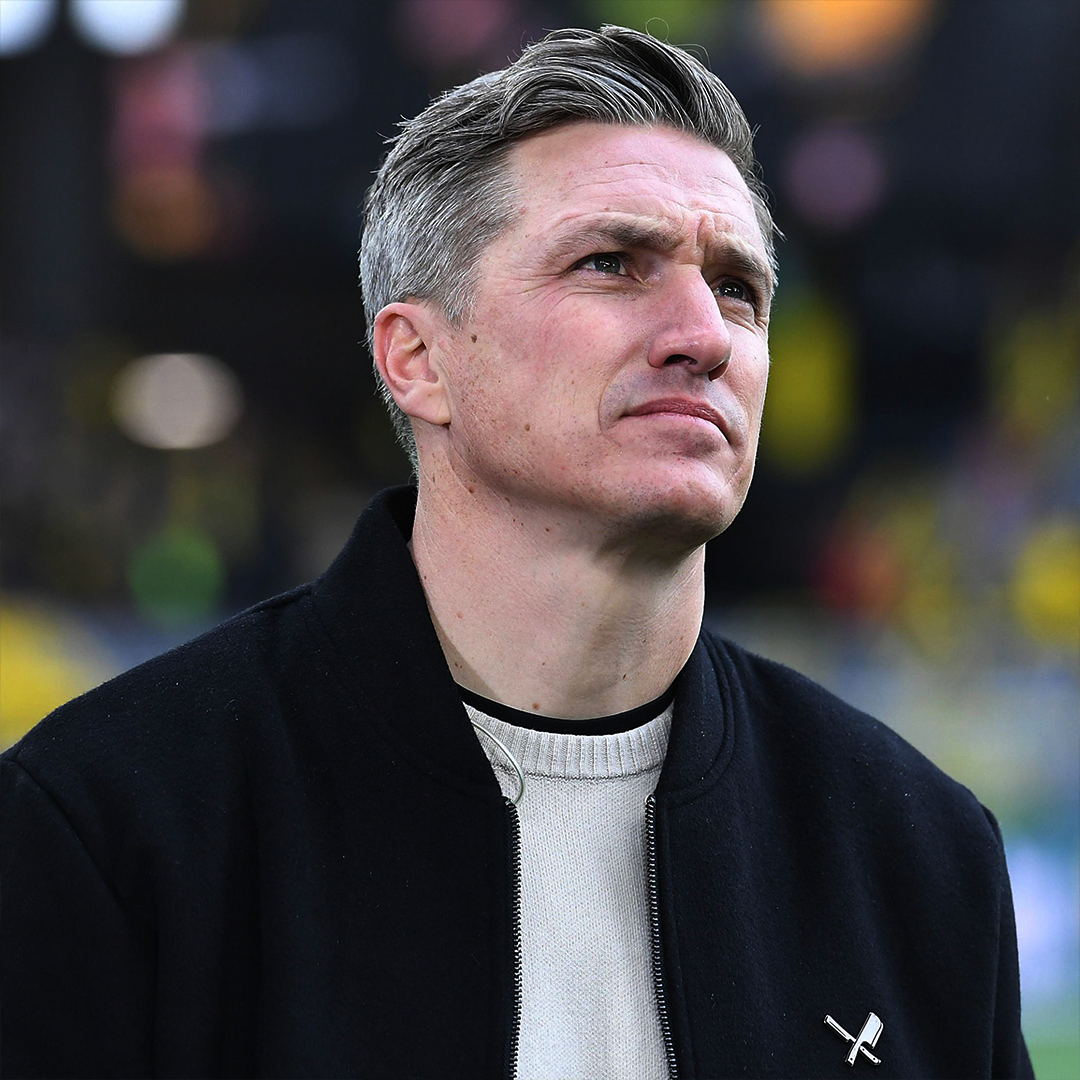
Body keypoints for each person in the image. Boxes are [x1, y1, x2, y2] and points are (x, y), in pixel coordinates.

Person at [0, 25, 1032, 1080]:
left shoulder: (920, 852)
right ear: (417, 360)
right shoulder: (112, 823)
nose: (705, 335)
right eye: (611, 264)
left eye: (738, 288)